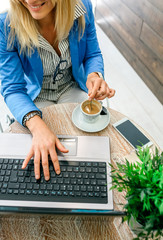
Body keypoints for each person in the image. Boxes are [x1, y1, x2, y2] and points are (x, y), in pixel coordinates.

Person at [0, 0, 115, 180]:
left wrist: (94, 75)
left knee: (89, 149)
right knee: (43, 155)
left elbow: (92, 54)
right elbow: (12, 88)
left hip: (71, 86)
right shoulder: (5, 25)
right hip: (35, 97)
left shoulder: (83, 8)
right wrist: (36, 126)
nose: (30, 1)